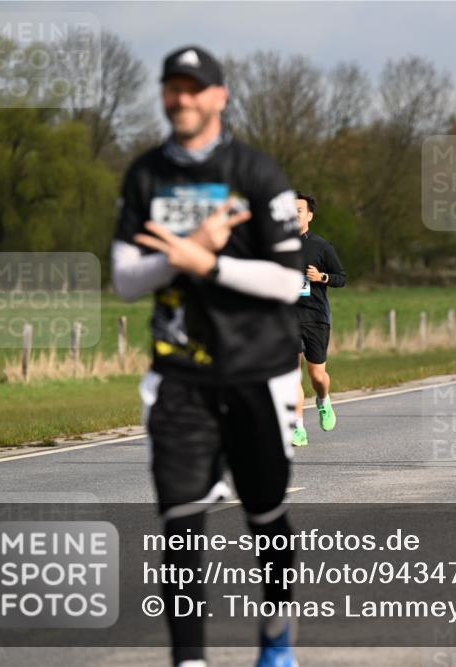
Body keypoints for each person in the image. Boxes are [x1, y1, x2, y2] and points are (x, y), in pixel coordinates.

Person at [110, 46, 303, 667]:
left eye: (195, 88)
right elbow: (124, 280)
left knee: (266, 518)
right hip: (179, 378)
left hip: (259, 374)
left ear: (219, 96)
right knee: (181, 525)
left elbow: (286, 281)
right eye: (173, 87)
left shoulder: (257, 173)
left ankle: (275, 641)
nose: (183, 98)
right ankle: (188, 661)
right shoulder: (144, 176)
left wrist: (212, 264)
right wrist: (183, 254)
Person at [291, 191, 346, 447]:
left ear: (309, 215)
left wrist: (321, 277)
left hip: (315, 317)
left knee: (317, 376)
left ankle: (323, 400)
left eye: (298, 209)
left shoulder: (321, 246)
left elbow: (341, 278)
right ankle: (298, 428)